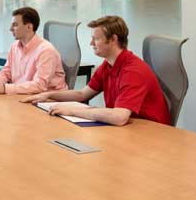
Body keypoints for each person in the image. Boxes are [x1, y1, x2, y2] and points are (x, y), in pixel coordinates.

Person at [22, 15, 170, 126]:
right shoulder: (108, 65)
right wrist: (48, 95)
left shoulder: (133, 71)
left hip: (150, 133)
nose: (91, 43)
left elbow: (119, 117)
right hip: (127, 129)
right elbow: (82, 94)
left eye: (96, 39)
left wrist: (72, 110)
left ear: (113, 39)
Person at [0, 7, 67, 95]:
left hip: (50, 100)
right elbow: (6, 73)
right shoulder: (14, 47)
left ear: (29, 27)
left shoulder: (46, 51)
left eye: (15, 25)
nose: (10, 29)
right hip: (25, 95)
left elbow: (39, 85)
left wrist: (5, 88)